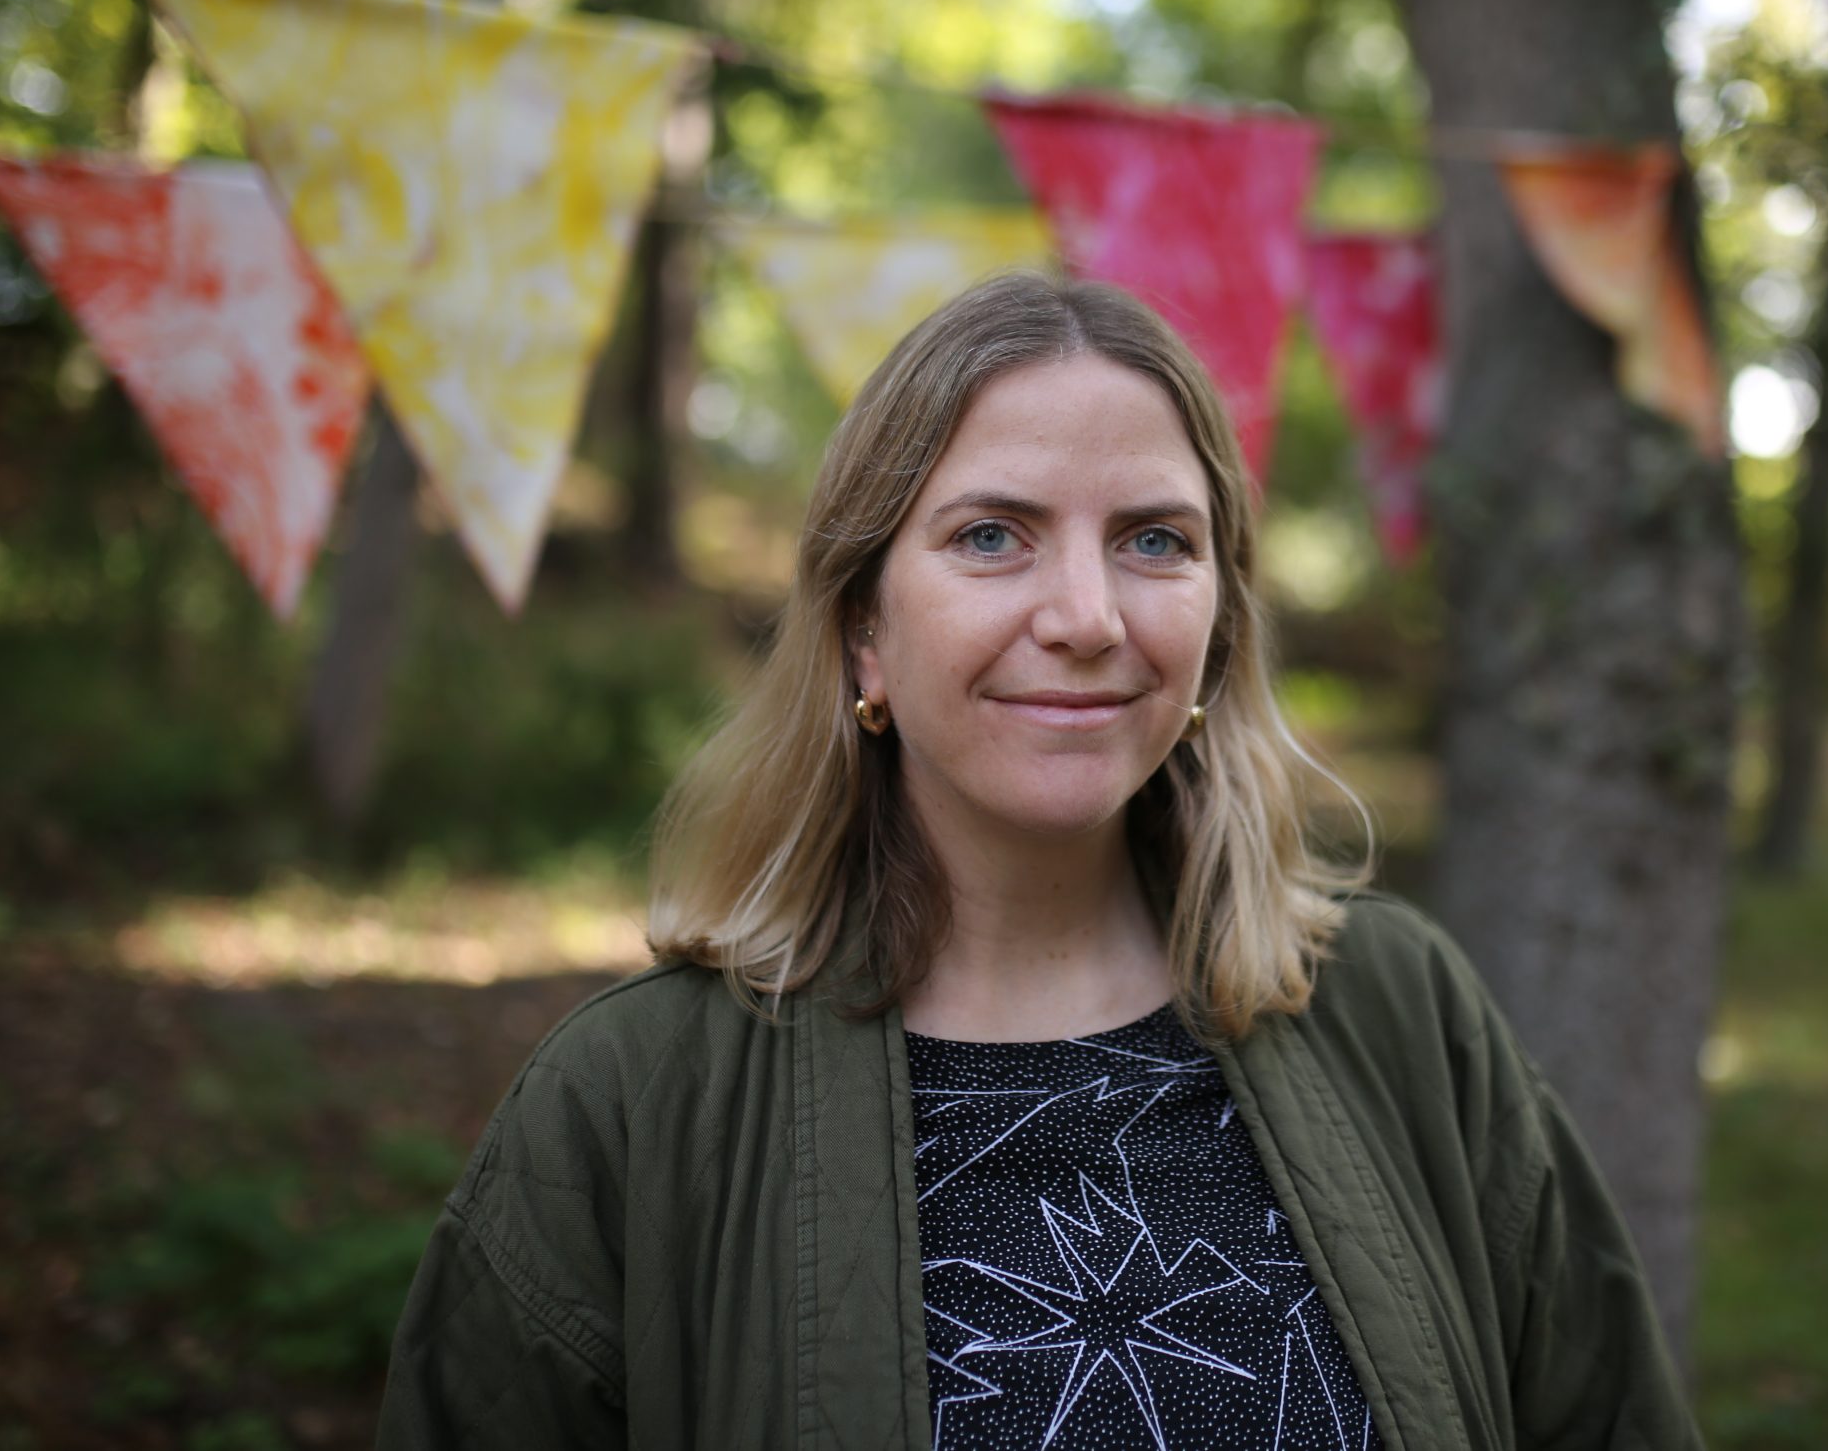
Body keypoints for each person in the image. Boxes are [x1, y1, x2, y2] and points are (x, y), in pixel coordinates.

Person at [376, 271, 1703, 1450]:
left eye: (1154, 541)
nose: (1086, 617)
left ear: (1220, 625)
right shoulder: (631, 1105)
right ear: (863, 635)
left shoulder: (1405, 1016)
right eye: (991, 536)